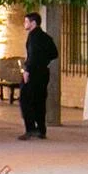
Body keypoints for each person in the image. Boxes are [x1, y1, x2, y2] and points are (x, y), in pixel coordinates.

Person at [20, 12, 58, 140]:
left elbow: (32, 55)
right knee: (40, 100)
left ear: (33, 23)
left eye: (26, 21)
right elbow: (54, 53)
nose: (24, 24)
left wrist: (27, 70)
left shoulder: (33, 37)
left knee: (26, 100)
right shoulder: (46, 37)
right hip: (43, 72)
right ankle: (41, 130)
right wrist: (44, 61)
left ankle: (30, 129)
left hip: (33, 73)